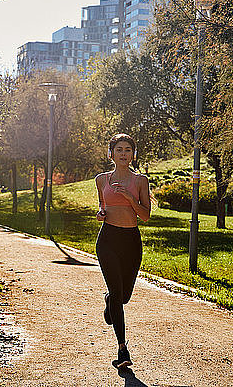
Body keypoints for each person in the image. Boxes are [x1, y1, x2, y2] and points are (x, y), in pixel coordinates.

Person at [95, 133, 151, 369]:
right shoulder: (101, 179)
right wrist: (101, 213)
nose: (124, 153)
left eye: (128, 149)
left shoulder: (140, 181)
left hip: (131, 241)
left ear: (133, 154)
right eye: (119, 149)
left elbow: (146, 216)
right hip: (107, 239)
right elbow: (102, 205)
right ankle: (122, 349)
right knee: (119, 295)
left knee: (123, 296)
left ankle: (109, 300)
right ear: (111, 153)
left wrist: (129, 197)